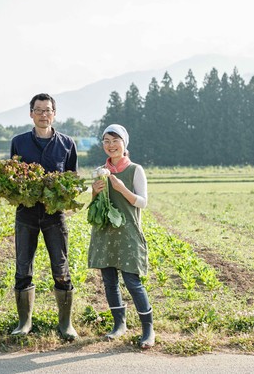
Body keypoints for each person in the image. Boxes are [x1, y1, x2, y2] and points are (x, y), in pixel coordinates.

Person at [9, 93, 79, 341]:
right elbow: (11, 176)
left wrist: (65, 195)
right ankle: (24, 323)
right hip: (26, 215)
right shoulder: (19, 142)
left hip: (54, 216)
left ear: (54, 113)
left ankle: (65, 324)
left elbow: (72, 179)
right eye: (38, 110)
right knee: (22, 268)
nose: (43, 114)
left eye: (47, 110)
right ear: (31, 113)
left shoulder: (67, 143)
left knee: (61, 269)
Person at [87, 124, 155, 349]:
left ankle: (148, 330)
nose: (110, 145)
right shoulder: (100, 171)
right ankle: (119, 325)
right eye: (106, 141)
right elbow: (94, 206)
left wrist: (122, 189)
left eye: (115, 140)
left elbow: (142, 202)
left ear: (124, 143)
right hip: (105, 232)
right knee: (109, 281)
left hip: (127, 233)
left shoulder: (135, 170)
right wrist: (95, 192)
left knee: (132, 282)